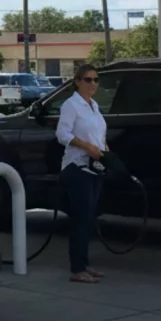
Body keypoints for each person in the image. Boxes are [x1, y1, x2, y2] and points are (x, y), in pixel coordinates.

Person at [55, 63, 107, 284]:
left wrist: (104, 151)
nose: (92, 84)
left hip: (95, 169)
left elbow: (98, 135)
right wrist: (87, 147)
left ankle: (85, 264)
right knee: (80, 218)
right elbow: (62, 134)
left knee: (88, 218)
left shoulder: (93, 105)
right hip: (77, 168)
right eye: (87, 80)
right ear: (77, 81)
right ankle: (77, 269)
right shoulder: (71, 105)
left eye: (95, 80)